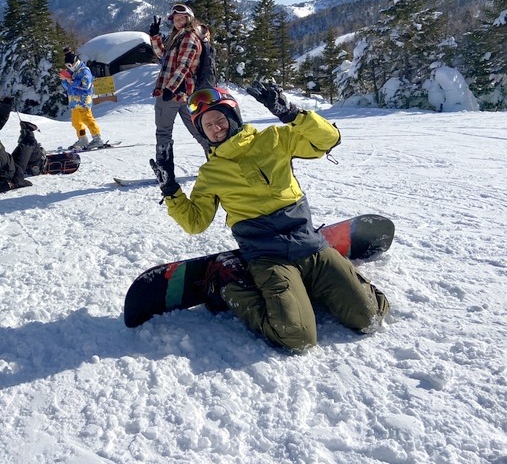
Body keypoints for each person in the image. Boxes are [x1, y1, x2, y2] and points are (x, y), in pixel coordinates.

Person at [149, 84, 390, 351]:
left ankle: (313, 286)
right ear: (202, 133)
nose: (216, 128)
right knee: (296, 336)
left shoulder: (275, 138)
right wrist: (170, 189)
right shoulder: (211, 173)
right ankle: (227, 281)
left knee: (370, 317)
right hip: (267, 257)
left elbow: (327, 140)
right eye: (208, 126)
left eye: (220, 119)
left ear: (234, 117)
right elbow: (195, 222)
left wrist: (291, 114)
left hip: (311, 246)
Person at [148, 3, 211, 177]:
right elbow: (164, 57)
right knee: (198, 131)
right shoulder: (179, 37)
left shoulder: (189, 37)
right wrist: (155, 37)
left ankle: (164, 172)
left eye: (181, 18)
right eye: (175, 19)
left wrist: (170, 88)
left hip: (174, 92)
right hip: (185, 94)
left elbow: (184, 64)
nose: (178, 21)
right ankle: (217, 161)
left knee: (163, 132)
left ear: (189, 18)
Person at [60, 47, 104, 149]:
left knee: (87, 118)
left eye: (69, 66)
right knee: (76, 121)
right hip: (74, 101)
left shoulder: (84, 71)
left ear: (75, 63)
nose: (69, 68)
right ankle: (82, 138)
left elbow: (86, 85)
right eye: (67, 66)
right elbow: (68, 86)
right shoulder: (72, 72)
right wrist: (65, 80)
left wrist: (71, 81)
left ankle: (97, 138)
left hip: (83, 100)